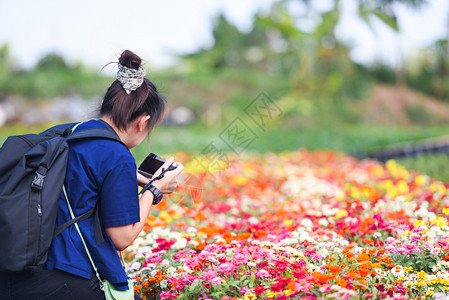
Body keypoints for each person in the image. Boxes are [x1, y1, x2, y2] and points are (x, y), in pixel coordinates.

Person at [0, 50, 183, 300]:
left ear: (101, 107)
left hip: (16, 273)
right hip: (64, 278)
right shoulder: (117, 155)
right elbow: (122, 237)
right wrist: (154, 190)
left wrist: (131, 177)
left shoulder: (66, 132)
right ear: (143, 122)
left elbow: (75, 179)